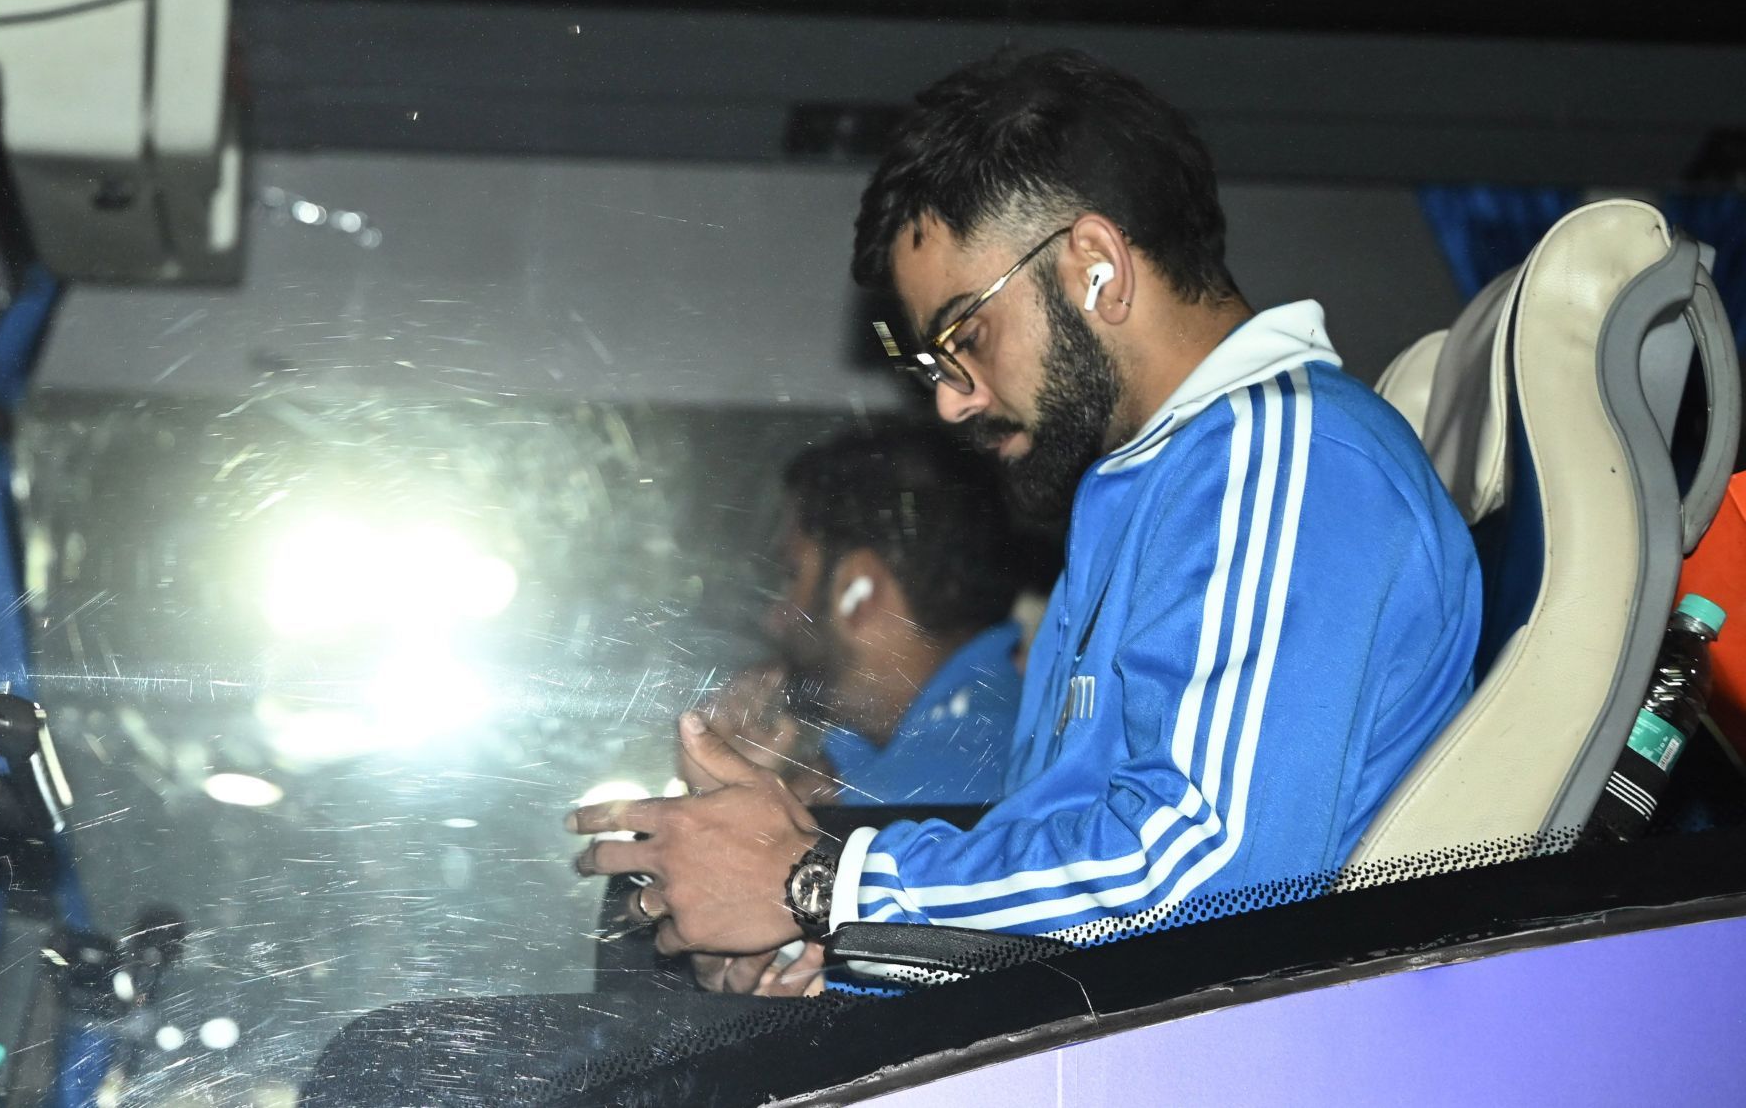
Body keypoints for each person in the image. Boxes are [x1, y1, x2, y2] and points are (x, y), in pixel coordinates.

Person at [571, 48, 1482, 969]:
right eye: (933, 363)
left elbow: (1204, 876)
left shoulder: (1278, 454)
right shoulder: (1148, 488)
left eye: (965, 334)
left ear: (1096, 265)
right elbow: (1057, 860)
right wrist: (828, 965)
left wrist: (817, 886)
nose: (951, 400)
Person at [707, 428, 1031, 810]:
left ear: (860, 592)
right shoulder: (994, 737)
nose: (776, 617)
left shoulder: (914, 803)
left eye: (793, 575)